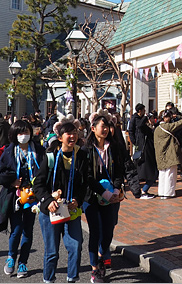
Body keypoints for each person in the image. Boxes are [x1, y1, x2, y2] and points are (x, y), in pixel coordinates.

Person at [33, 121, 91, 284]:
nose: (72, 136)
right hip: (50, 211)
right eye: (68, 133)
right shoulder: (50, 157)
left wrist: (77, 200)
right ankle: (48, 279)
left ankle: (72, 278)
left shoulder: (81, 155)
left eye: (75, 132)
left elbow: (84, 184)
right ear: (60, 138)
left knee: (75, 246)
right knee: (52, 252)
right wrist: (48, 200)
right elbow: (38, 184)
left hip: (71, 210)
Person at [0, 120, 46, 279]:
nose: (24, 136)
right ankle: (11, 257)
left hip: (33, 197)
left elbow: (45, 171)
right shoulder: (9, 151)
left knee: (28, 231)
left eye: (27, 132)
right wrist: (11, 181)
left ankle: (23, 261)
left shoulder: (39, 150)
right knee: (16, 230)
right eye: (20, 133)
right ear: (14, 135)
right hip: (15, 197)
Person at [84, 112, 127, 283]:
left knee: (108, 230)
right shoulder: (86, 149)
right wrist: (104, 192)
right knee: (95, 231)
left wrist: (116, 189)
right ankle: (95, 268)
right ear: (93, 129)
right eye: (102, 126)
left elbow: (119, 170)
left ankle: (103, 254)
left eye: (107, 127)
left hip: (111, 196)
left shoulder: (114, 147)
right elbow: (87, 176)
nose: (106, 130)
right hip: (92, 196)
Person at [153, 107, 182, 199]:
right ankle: (168, 192)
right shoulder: (167, 127)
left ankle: (162, 192)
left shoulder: (156, 130)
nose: (170, 118)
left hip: (160, 154)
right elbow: (179, 123)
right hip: (170, 154)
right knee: (170, 174)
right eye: (168, 117)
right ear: (165, 118)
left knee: (162, 174)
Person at [131, 104, 158, 199]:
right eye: (151, 118)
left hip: (148, 151)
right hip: (145, 151)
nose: (153, 120)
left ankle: (143, 190)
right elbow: (137, 127)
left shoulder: (153, 127)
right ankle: (144, 191)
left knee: (150, 173)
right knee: (151, 174)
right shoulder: (143, 127)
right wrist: (134, 142)